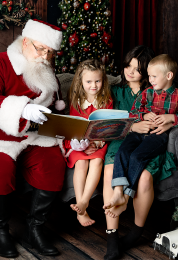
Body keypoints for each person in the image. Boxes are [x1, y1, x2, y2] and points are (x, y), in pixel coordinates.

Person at [0, 19, 67, 258]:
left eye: (49, 52)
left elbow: (56, 106)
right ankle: (0, 232)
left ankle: (36, 229)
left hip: (33, 136)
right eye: (40, 48)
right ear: (25, 41)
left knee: (52, 164)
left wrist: (70, 131)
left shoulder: (45, 68)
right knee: (0, 170)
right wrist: (22, 109)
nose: (44, 56)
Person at [103, 53, 178, 258]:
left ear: (169, 75)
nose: (150, 79)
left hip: (156, 137)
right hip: (138, 132)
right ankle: (118, 192)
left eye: (154, 76)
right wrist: (144, 115)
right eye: (150, 76)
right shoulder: (146, 93)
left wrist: (172, 117)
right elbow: (134, 112)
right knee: (123, 151)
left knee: (137, 158)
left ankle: (125, 196)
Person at [64, 59, 113, 227]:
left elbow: (109, 127)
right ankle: (82, 209)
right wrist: (83, 143)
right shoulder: (76, 100)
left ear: (103, 81)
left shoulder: (107, 100)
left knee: (97, 161)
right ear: (81, 81)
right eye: (89, 81)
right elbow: (75, 127)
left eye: (98, 81)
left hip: (99, 142)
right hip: (80, 143)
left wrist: (97, 143)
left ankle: (84, 202)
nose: (94, 86)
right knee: (81, 163)